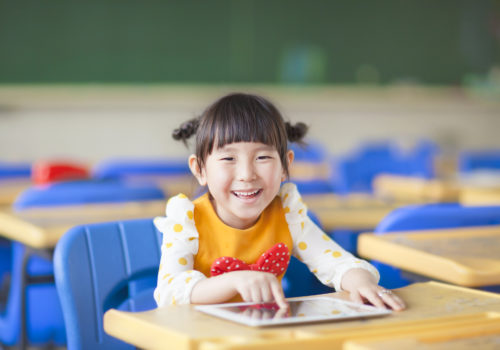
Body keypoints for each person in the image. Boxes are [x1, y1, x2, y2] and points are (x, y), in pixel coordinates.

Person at [153, 93, 405, 311]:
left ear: (285, 166)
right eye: (229, 159)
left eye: (262, 157)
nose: (246, 174)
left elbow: (336, 262)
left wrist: (361, 281)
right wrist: (234, 281)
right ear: (200, 169)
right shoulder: (186, 220)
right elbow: (169, 292)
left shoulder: (286, 216)